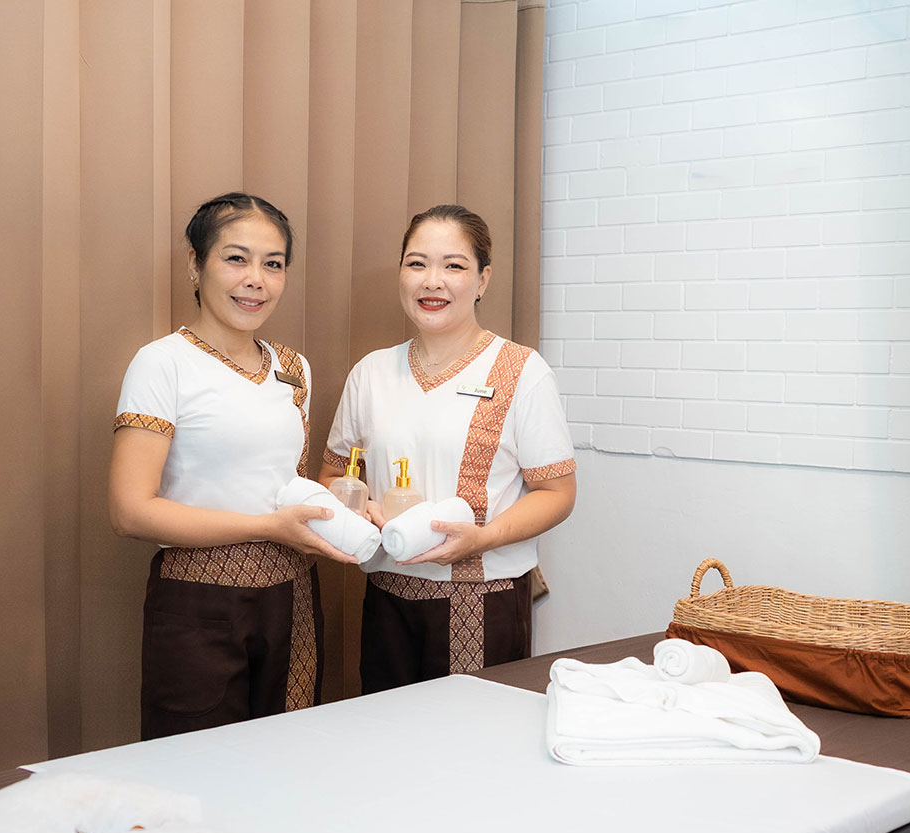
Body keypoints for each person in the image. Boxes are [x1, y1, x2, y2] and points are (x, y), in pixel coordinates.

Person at [108, 191, 355, 739]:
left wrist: (340, 512)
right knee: (196, 767)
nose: (256, 280)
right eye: (236, 259)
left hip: (293, 596)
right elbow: (130, 512)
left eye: (273, 264)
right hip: (199, 603)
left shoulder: (293, 368)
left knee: (288, 756)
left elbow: (284, 484)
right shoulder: (162, 363)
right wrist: (268, 527)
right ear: (195, 265)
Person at [320, 204, 576, 693]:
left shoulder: (521, 371)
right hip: (387, 594)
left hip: (484, 596)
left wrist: (483, 538)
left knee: (471, 732)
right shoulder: (371, 372)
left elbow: (557, 492)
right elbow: (334, 475)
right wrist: (358, 506)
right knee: (386, 728)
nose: (432, 281)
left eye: (453, 266)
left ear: (482, 280)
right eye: (416, 263)